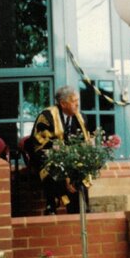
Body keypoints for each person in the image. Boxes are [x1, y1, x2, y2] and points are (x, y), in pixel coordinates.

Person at [27, 85, 90, 215]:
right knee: (57, 171)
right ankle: (53, 206)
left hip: (71, 160)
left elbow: (84, 143)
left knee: (80, 173)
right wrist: (65, 167)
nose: (77, 104)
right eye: (74, 101)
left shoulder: (81, 117)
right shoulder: (47, 116)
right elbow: (41, 146)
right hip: (49, 158)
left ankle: (82, 210)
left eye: (77, 100)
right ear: (63, 103)